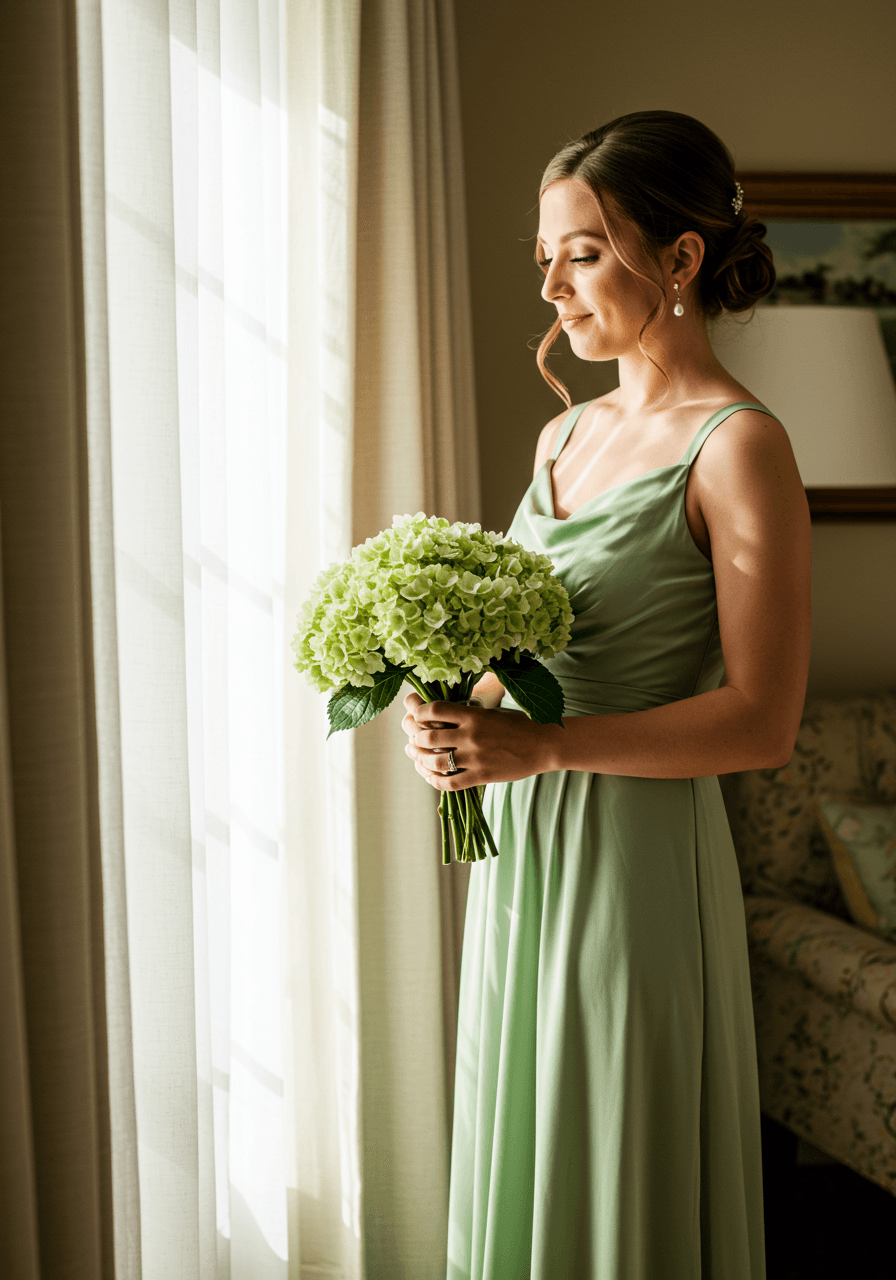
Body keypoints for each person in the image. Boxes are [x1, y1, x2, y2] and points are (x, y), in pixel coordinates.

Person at [402, 109, 811, 1279]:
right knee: (524, 1141)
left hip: (636, 863)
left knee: (611, 1158)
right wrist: (457, 712)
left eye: (581, 254)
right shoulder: (560, 438)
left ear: (678, 256)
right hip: (522, 852)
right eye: (546, 259)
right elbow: (531, 652)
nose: (552, 289)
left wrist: (543, 747)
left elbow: (763, 720)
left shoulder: (737, 445)